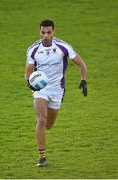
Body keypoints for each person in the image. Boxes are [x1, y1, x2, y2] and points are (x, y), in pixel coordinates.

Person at [25, 19, 87, 167]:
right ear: (39, 32)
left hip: (57, 90)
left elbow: (81, 63)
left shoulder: (63, 47)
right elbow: (27, 73)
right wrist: (31, 85)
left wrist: (83, 80)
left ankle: (41, 126)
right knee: (41, 119)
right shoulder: (33, 49)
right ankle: (42, 157)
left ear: (54, 32)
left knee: (49, 125)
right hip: (41, 89)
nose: (45, 35)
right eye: (43, 32)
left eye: (49, 32)